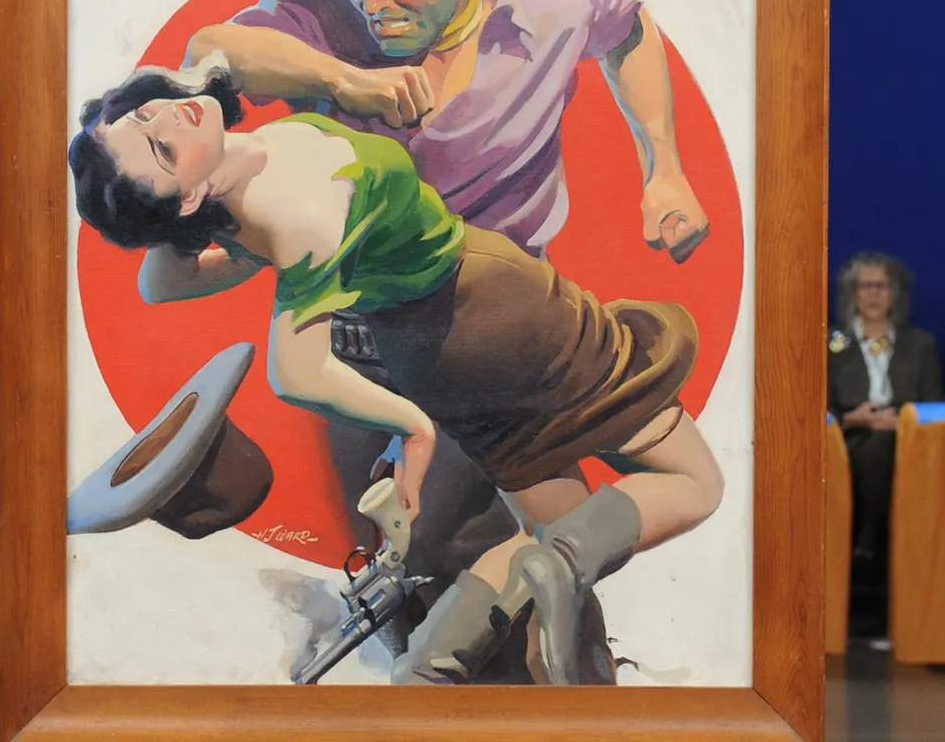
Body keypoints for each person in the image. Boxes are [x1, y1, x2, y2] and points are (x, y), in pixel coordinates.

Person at [182, 0, 717, 666]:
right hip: (371, 349)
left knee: (549, 565)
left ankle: (542, 699)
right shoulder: (319, 22)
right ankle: (443, 687)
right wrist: (345, 80)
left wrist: (666, 167)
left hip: (508, 321)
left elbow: (627, 25)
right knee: (434, 563)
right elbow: (210, 51)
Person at [68, 61, 723, 686]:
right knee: (695, 485)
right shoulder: (296, 214)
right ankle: (560, 565)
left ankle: (431, 666)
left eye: (146, 115)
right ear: (187, 197)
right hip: (494, 308)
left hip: (436, 357)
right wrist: (414, 429)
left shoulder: (249, 193)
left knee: (547, 536)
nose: (170, 119)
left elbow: (160, 285)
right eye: (161, 151)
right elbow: (294, 371)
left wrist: (194, 208)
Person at [826, 251, 940, 637]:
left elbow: (933, 404)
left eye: (882, 286)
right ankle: (870, 546)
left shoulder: (919, 344)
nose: (873, 294)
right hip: (848, 441)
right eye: (865, 286)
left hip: (906, 442)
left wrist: (902, 421)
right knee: (875, 450)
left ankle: (866, 545)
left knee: (884, 450)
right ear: (852, 293)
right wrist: (851, 419)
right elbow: (815, 407)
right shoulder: (832, 343)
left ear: (896, 294)